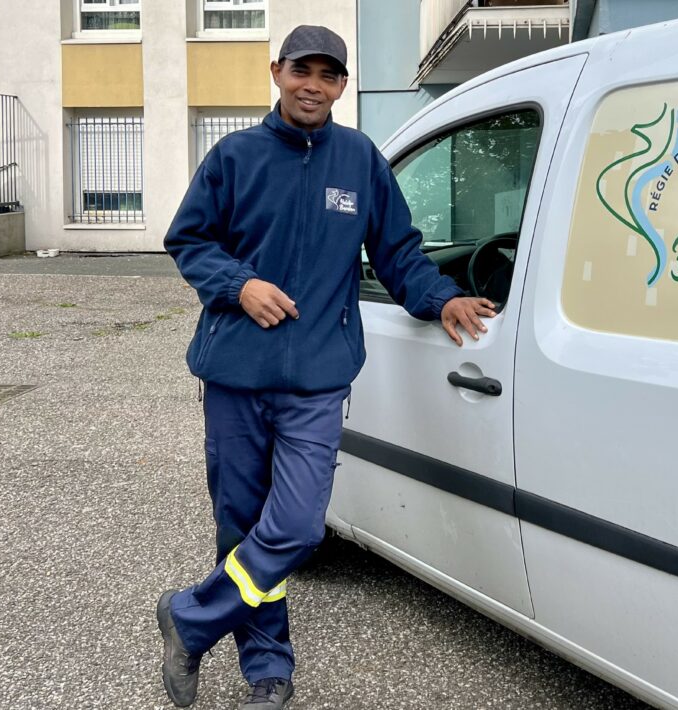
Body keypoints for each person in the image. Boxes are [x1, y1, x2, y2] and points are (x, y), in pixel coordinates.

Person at [157, 24, 496, 710]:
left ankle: (189, 618)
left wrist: (443, 298)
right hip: (235, 375)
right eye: (301, 71)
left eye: (328, 75)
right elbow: (188, 239)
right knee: (241, 525)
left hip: (316, 379)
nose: (313, 86)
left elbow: (398, 253)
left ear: (342, 85)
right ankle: (268, 667)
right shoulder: (234, 157)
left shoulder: (360, 160)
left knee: (297, 527)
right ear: (276, 72)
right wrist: (239, 286)